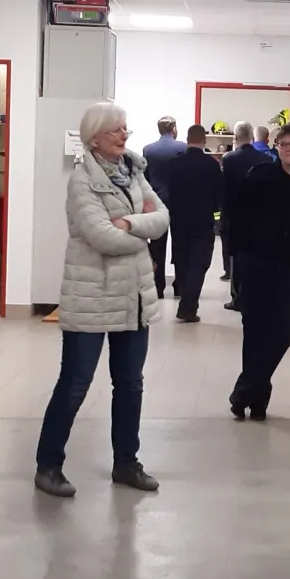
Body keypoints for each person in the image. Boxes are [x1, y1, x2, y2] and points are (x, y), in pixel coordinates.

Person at [35, 103, 168, 498]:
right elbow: (102, 237)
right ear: (93, 138)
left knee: (130, 384)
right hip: (90, 296)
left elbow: (162, 218)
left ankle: (126, 463)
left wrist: (128, 223)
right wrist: (141, 231)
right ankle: (48, 466)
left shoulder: (135, 172)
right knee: (74, 384)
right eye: (114, 130)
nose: (123, 136)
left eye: (125, 129)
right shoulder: (82, 182)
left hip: (133, 297)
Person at [226, 121, 290, 420]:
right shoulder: (259, 175)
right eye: (282, 144)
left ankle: (244, 389)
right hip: (258, 263)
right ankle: (257, 400)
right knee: (255, 329)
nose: (286, 149)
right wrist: (238, 254)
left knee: (288, 327)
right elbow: (237, 215)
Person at [161, 124, 224, 323]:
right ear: (204, 140)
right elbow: (219, 194)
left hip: (178, 219)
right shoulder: (212, 164)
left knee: (181, 258)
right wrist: (216, 214)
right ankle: (188, 306)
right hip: (202, 220)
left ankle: (183, 294)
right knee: (199, 262)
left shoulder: (174, 163)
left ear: (187, 139)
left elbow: (167, 191)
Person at [218, 121, 266, 309]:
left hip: (234, 214)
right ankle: (255, 296)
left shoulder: (228, 159)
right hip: (259, 214)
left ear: (236, 137)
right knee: (256, 254)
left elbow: (224, 188)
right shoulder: (264, 159)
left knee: (236, 257)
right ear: (252, 137)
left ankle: (237, 298)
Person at [140, 116, 187, 300]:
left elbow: (145, 178)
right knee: (180, 244)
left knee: (157, 245)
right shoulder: (183, 148)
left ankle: (158, 286)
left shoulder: (148, 150)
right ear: (174, 129)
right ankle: (179, 286)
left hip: (156, 203)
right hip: (179, 203)